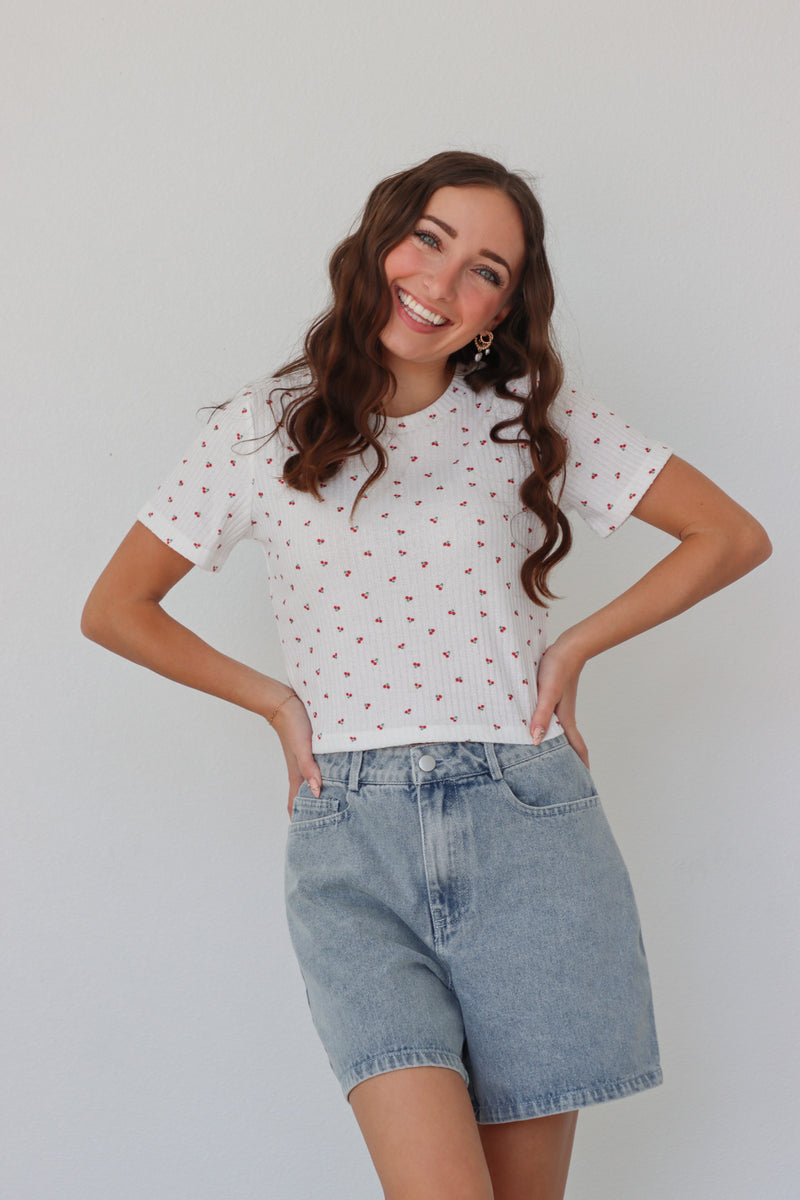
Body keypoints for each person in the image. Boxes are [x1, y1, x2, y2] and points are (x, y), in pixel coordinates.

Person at [81, 150, 771, 1200]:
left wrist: (573, 645)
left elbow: (727, 535)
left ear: (502, 306)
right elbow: (114, 607)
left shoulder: (527, 418)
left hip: (528, 826)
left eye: (486, 269)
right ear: (378, 244)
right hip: (349, 843)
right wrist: (272, 701)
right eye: (430, 241)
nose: (442, 284)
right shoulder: (259, 430)